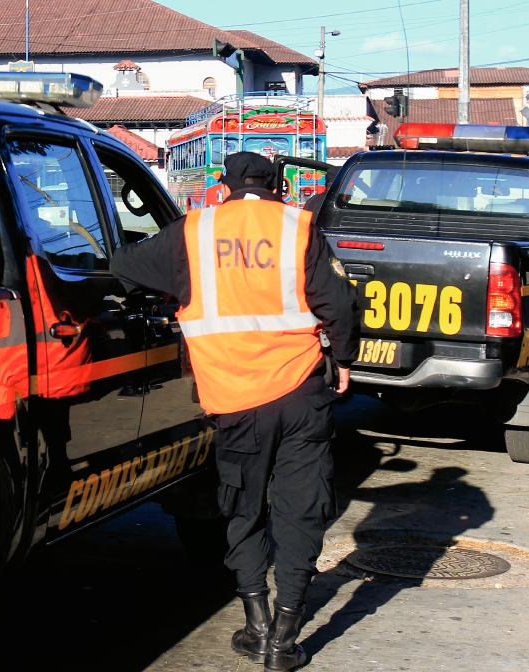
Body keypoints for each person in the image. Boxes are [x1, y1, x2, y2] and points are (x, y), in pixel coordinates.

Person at [111, 152, 359, 671]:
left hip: (236, 400)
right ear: (279, 187)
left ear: (224, 186)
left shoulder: (195, 230)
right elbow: (339, 302)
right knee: (300, 508)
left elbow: (123, 266)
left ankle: (256, 622)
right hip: (300, 389)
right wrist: (342, 358)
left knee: (243, 509)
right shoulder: (298, 225)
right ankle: (286, 638)